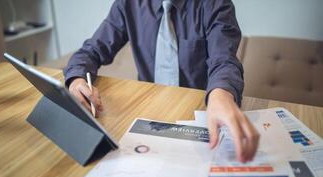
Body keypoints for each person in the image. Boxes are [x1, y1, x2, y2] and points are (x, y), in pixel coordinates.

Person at [63, 0, 260, 162]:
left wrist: (221, 94)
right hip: (149, 115)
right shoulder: (128, 4)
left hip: (198, 114)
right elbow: (92, 50)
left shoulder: (215, 4)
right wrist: (76, 80)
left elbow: (224, 59)